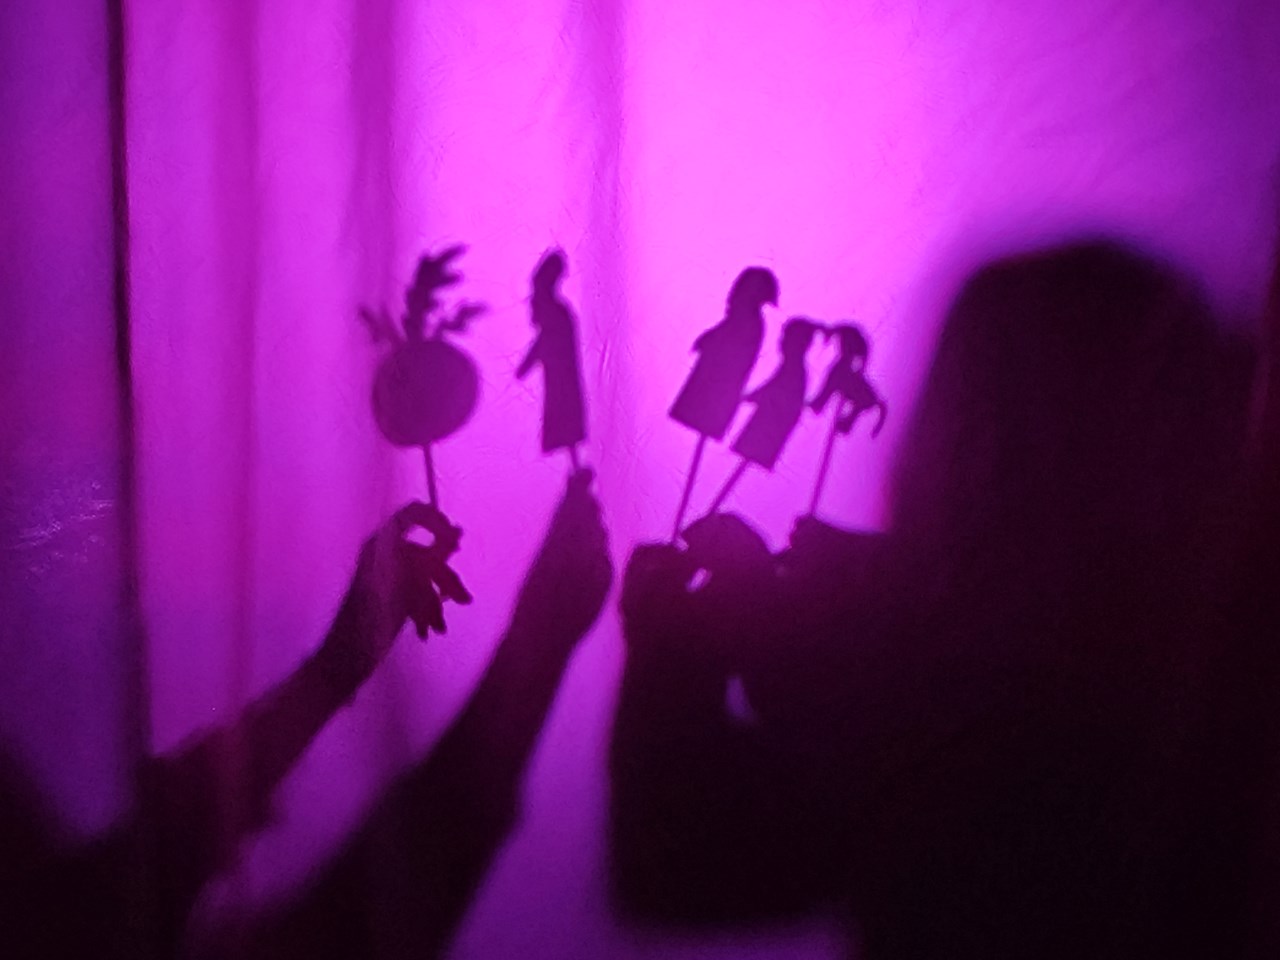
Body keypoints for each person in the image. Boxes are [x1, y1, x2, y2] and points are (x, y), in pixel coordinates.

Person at [611, 240, 1258, 958]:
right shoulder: (1196, 676)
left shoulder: (1005, 710)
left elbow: (682, 864)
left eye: (958, 413)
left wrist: (677, 653)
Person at [517, 250, 588, 467]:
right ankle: (574, 464)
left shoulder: (556, 312)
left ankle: (575, 466)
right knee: (564, 420)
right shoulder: (558, 312)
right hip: (559, 376)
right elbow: (544, 340)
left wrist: (526, 365)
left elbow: (545, 341)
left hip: (561, 378)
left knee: (564, 417)